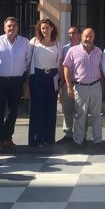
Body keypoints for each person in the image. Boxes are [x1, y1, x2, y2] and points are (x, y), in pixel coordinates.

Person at [0, 17, 32, 152]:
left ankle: (8, 138)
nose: (11, 28)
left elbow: (28, 60)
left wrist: (23, 75)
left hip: (17, 81)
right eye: (9, 26)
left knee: (13, 111)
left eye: (14, 26)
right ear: (4, 28)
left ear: (18, 28)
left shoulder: (25, 42)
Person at [63, 28, 103, 148]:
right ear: (81, 37)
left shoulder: (98, 52)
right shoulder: (73, 50)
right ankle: (78, 141)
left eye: (90, 37)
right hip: (80, 87)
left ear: (94, 38)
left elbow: (102, 69)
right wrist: (69, 86)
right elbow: (66, 68)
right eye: (86, 36)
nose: (88, 39)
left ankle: (97, 141)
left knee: (96, 115)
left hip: (95, 86)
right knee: (80, 115)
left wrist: (102, 86)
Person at [28, 18, 61, 147]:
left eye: (47, 28)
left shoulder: (58, 44)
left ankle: (49, 138)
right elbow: (27, 60)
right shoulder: (34, 42)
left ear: (52, 28)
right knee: (38, 108)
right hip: (37, 76)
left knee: (51, 108)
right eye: (42, 28)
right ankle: (37, 139)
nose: (45, 30)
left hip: (52, 77)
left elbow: (60, 62)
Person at [57, 26, 81, 144]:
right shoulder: (65, 49)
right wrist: (63, 82)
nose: (71, 35)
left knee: (80, 110)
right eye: (69, 33)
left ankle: (80, 134)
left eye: (74, 33)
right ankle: (68, 134)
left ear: (79, 34)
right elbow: (62, 65)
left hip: (80, 83)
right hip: (67, 83)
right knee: (67, 109)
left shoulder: (84, 47)